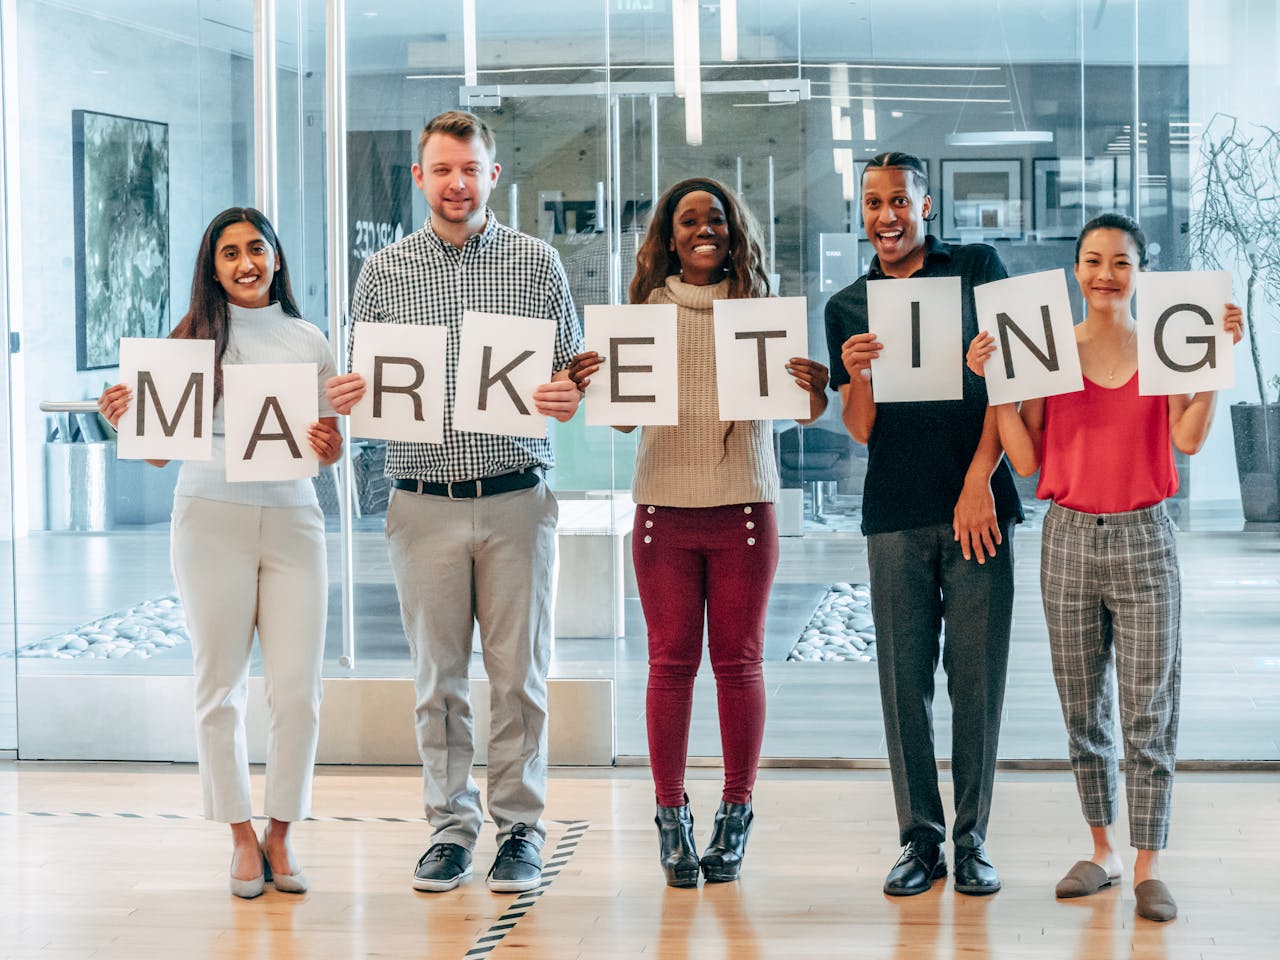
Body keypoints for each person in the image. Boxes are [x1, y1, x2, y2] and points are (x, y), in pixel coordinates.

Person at [324, 110, 582, 895]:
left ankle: (520, 829)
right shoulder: (381, 273)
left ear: (492, 175)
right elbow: (362, 382)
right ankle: (449, 827)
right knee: (437, 679)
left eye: (470, 168)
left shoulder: (538, 265)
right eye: (442, 169)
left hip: (516, 499)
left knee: (518, 678)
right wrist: (346, 393)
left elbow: (573, 374)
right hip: (422, 501)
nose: (457, 182)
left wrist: (568, 393)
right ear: (420, 178)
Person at [966, 213, 1243, 922]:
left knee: (1149, 707)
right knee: (1082, 706)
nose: (1104, 275)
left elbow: (1186, 436)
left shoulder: (1167, 343)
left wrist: (1214, 365)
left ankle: (1149, 861)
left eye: (1120, 262)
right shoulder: (1046, 353)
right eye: (1092, 260)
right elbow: (1025, 461)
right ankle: (1103, 850)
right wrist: (997, 383)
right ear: (1075, 269)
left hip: (1145, 536)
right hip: (1067, 538)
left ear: (1140, 271)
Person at [569, 177, 830, 887]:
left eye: (716, 218)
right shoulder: (642, 313)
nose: (704, 229)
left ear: (733, 230)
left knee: (739, 665)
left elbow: (804, 413)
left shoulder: (761, 311)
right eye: (689, 220)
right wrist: (589, 380)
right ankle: (671, 816)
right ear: (669, 235)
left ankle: (736, 811)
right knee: (670, 666)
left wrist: (816, 387)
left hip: (744, 509)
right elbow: (622, 419)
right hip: (662, 511)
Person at [97, 207, 342, 899]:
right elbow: (151, 456)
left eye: (255, 248)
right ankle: (239, 834)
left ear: (276, 257)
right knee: (219, 685)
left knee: (298, 689)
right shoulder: (188, 345)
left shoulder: (309, 339)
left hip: (295, 519)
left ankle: (281, 833)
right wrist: (117, 417)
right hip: (209, 518)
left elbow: (329, 444)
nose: (245, 263)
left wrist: (332, 447)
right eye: (229, 253)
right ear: (212, 268)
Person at [824, 151, 1023, 897]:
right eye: (874, 203)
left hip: (979, 509)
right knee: (903, 685)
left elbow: (1013, 382)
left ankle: (972, 840)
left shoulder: (977, 268)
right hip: (896, 513)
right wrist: (859, 376)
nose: (886, 216)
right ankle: (920, 840)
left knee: (976, 681)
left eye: (900, 201)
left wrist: (980, 481)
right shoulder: (848, 306)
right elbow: (863, 429)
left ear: (926, 206)